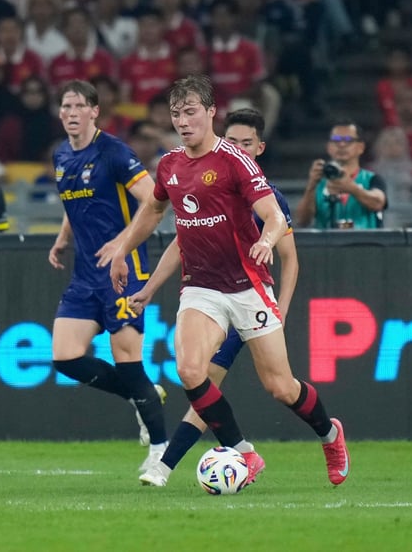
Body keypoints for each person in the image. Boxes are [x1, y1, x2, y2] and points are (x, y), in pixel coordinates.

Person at [98, 75, 350, 489]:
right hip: (201, 287)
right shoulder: (170, 165)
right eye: (176, 113)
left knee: (280, 387)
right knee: (190, 369)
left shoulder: (235, 160)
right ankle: (245, 453)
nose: (183, 121)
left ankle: (329, 434)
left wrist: (267, 242)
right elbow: (152, 213)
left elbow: (273, 215)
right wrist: (124, 249)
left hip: (248, 285)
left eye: (191, 111)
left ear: (211, 112)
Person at [128, 108, 300, 487]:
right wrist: (151, 287)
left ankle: (327, 437)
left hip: (253, 296)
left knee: (281, 388)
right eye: (233, 140)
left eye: (246, 143)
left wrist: (281, 306)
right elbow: (180, 241)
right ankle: (166, 465)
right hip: (212, 295)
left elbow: (290, 259)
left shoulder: (272, 198)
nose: (237, 147)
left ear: (259, 148)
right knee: (200, 381)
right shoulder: (209, 176)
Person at [46, 79, 168, 477]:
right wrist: (63, 239)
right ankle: (140, 396)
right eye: (66, 106)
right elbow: (72, 205)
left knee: (128, 360)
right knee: (64, 356)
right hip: (85, 274)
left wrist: (121, 241)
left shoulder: (114, 152)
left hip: (125, 271)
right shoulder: (62, 156)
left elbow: (154, 201)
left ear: (95, 111)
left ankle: (160, 451)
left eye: (80, 105)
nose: (71, 112)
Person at [296, 122, 388, 229]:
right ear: (329, 147)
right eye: (336, 140)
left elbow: (378, 203)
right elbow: (301, 221)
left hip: (364, 243)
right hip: (325, 244)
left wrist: (351, 188)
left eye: (348, 140)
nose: (341, 145)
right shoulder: (319, 182)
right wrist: (311, 186)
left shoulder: (372, 179)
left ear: (361, 147)